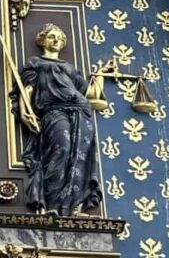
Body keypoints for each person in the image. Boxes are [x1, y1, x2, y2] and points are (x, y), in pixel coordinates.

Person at [11, 24, 101, 216]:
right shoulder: (36, 63)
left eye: (59, 38)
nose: (56, 40)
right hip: (53, 110)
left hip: (81, 110)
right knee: (61, 149)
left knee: (79, 158)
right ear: (42, 40)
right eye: (51, 36)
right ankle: (53, 205)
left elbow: (90, 94)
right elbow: (27, 90)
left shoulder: (69, 68)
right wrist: (24, 112)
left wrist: (100, 75)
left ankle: (74, 208)